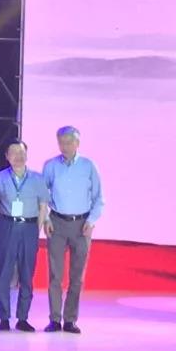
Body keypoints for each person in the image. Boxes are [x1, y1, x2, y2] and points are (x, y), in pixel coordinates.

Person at [43, 125, 104, 334]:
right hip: (57, 223)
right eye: (61, 142)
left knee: (77, 276)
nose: (64, 146)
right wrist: (46, 218)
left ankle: (70, 319)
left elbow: (99, 198)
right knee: (55, 275)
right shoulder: (50, 166)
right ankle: (54, 319)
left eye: (69, 142)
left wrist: (92, 220)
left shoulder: (89, 166)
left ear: (77, 143)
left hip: (82, 225)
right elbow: (43, 196)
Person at [0, 139, 49, 332]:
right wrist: (0, 225)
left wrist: (36, 228)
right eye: (14, 153)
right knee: (4, 273)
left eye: (22, 152)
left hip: (29, 227)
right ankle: (4, 317)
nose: (19, 156)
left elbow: (43, 206)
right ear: (7, 156)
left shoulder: (37, 178)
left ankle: (23, 318)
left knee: (27, 274)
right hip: (7, 225)